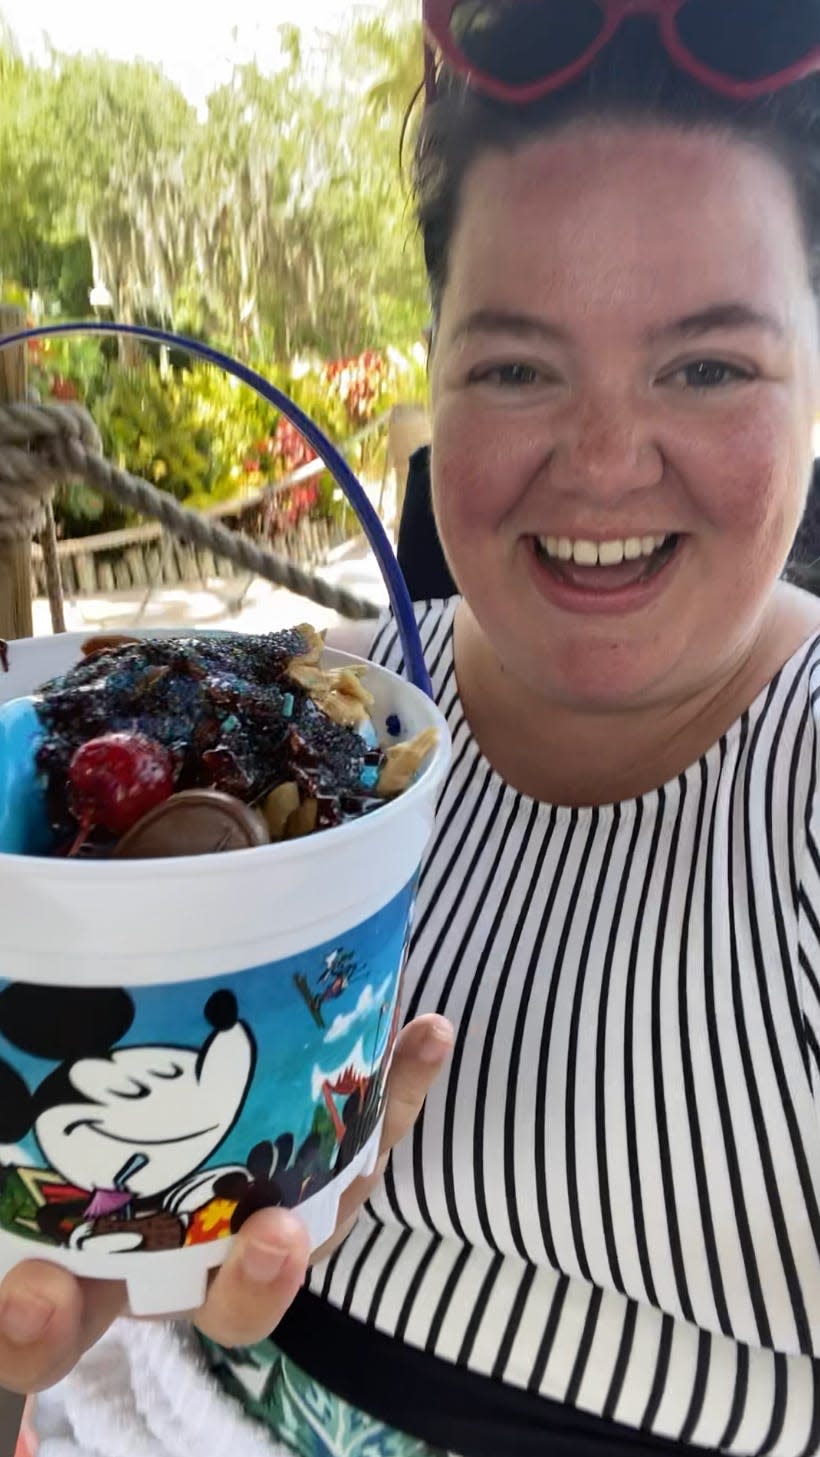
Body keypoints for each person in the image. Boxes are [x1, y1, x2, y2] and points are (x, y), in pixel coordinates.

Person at [8, 2, 820, 1453]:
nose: (606, 461)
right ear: (433, 374)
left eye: (708, 365)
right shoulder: (307, 720)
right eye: (516, 366)